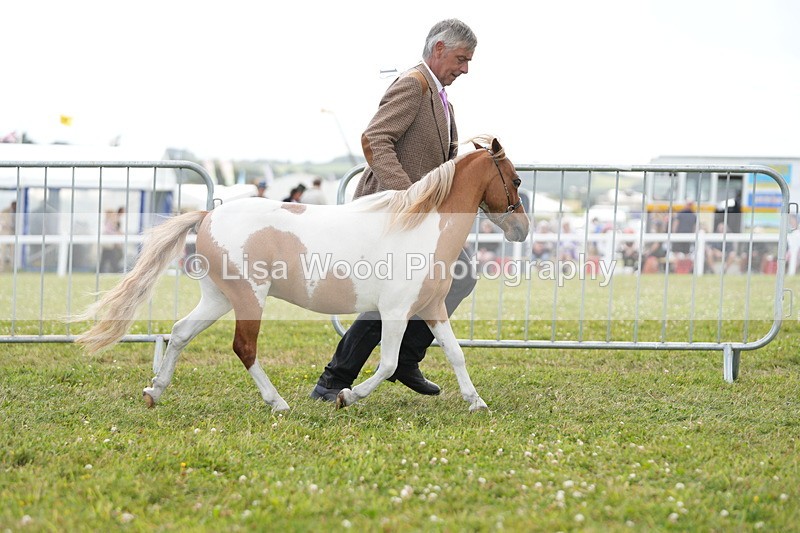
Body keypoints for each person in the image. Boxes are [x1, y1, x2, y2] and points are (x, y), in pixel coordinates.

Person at [311, 18, 478, 401]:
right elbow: (375, 139)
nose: (465, 69)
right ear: (439, 49)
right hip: (394, 211)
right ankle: (333, 381)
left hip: (418, 217)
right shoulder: (413, 85)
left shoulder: (438, 95)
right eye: (461, 59)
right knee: (393, 295)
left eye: (468, 61)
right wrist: (408, 196)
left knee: (460, 276)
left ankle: (404, 358)